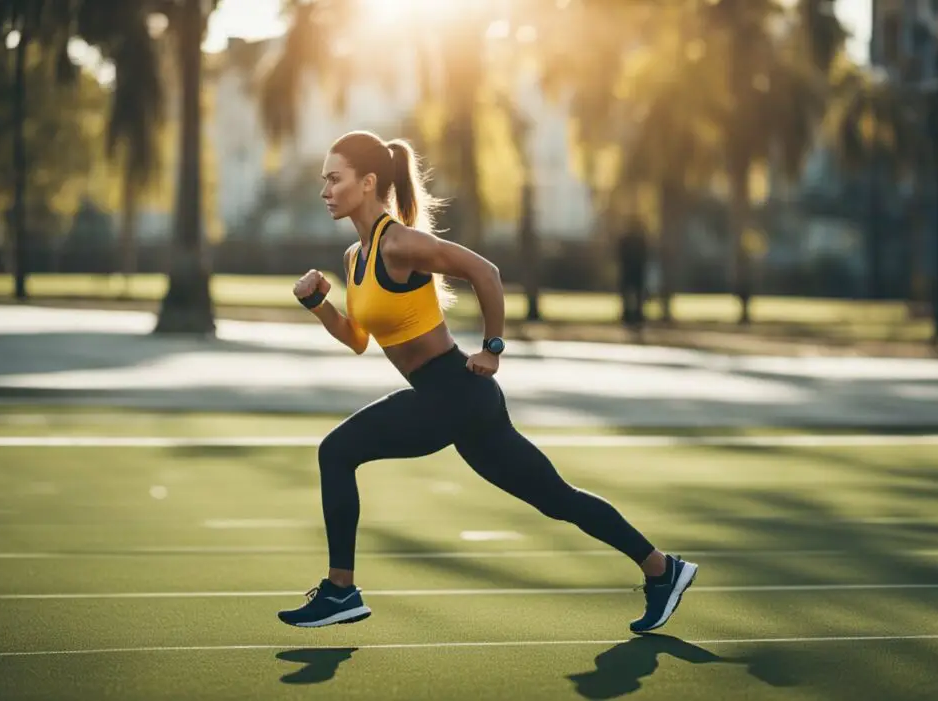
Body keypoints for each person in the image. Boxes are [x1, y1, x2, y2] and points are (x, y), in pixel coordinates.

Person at [278, 130, 697, 633]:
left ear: (368, 183)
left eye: (333, 178)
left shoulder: (401, 243)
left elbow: (486, 272)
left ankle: (341, 591)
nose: (324, 190)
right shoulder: (355, 258)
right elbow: (357, 338)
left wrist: (493, 348)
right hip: (453, 401)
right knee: (556, 497)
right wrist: (317, 303)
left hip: (456, 389)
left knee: (336, 452)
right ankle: (661, 568)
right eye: (323, 180)